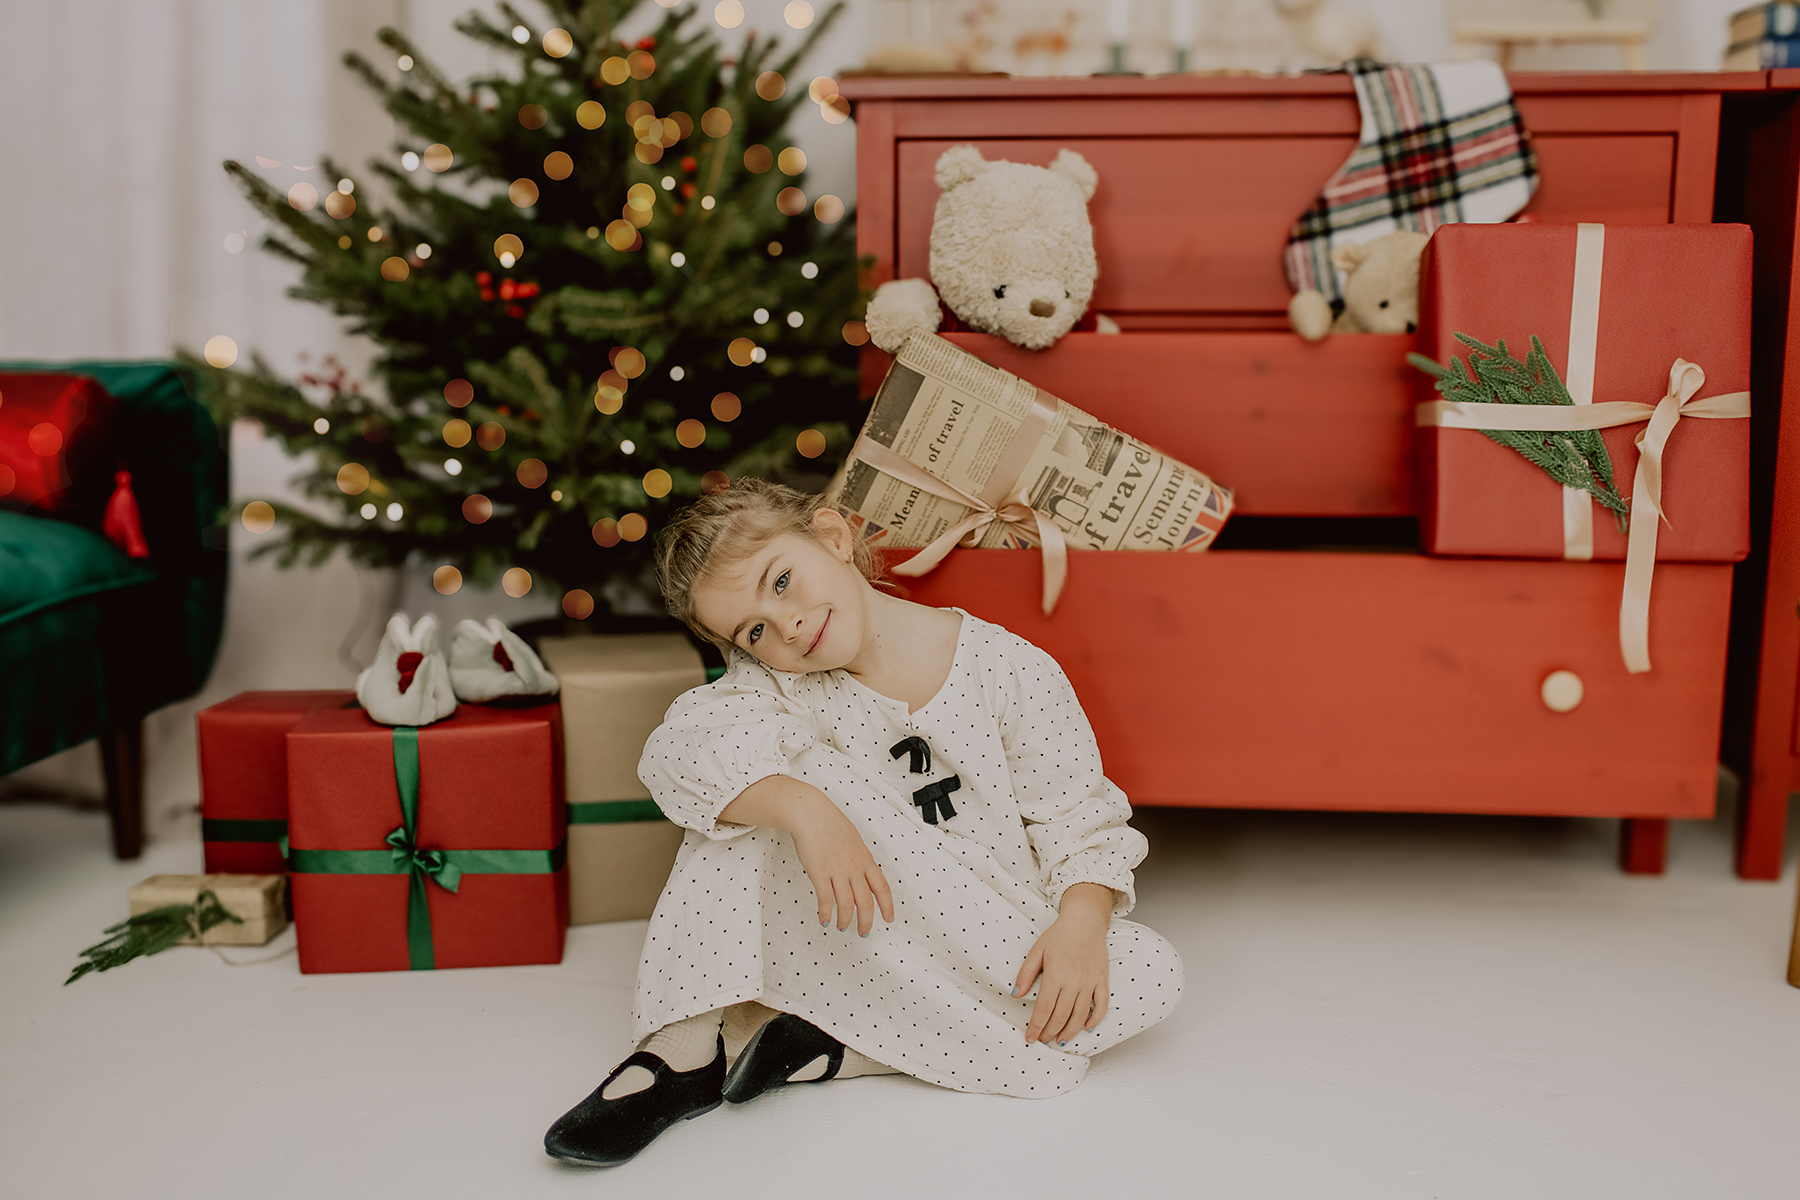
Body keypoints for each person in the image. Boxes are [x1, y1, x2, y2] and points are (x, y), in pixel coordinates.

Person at [544, 480, 1183, 1166]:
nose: (784, 625)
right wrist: (804, 807)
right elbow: (674, 756)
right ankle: (682, 1049)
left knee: (1154, 972)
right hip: (855, 927)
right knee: (750, 773)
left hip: (983, 935)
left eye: (782, 581)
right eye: (753, 630)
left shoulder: (1008, 669)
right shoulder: (780, 685)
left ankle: (838, 1047)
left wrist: (1082, 925)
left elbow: (1079, 817)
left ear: (834, 537)